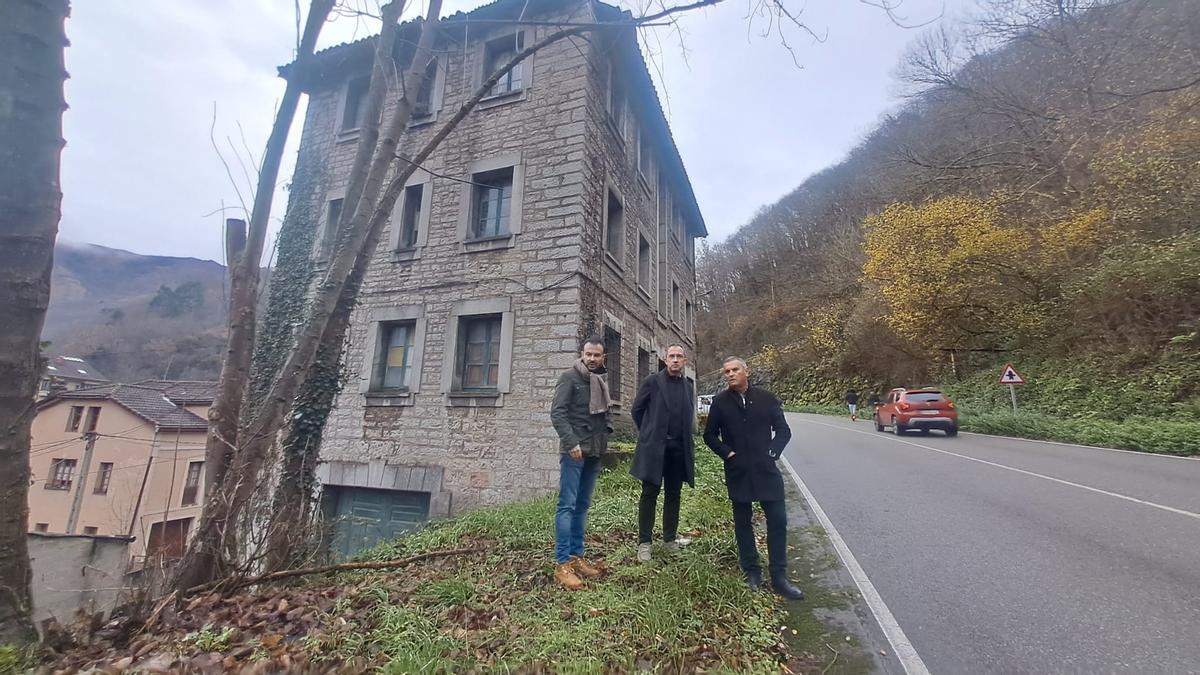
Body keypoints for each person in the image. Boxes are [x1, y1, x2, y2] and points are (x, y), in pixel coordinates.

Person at [704, 356, 804, 600]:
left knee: (778, 521)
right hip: (738, 471)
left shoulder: (767, 399)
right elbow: (709, 435)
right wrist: (728, 454)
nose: (730, 374)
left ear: (745, 371)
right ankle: (752, 572)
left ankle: (779, 577)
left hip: (766, 471)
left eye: (735, 369)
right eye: (726, 371)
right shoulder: (719, 403)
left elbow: (783, 430)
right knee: (742, 524)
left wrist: (771, 452)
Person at [549, 336, 613, 590]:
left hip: (594, 450)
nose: (592, 359)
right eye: (588, 354)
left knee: (582, 505)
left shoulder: (600, 379)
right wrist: (571, 442)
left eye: (597, 355)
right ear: (582, 353)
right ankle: (562, 564)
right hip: (574, 452)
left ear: (603, 357)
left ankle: (576, 557)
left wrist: (605, 435)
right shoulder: (569, 378)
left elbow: (604, 413)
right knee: (567, 505)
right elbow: (557, 413)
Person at [630, 344, 696, 562]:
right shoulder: (652, 382)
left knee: (674, 495)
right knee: (649, 494)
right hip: (655, 449)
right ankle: (644, 543)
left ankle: (669, 540)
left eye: (679, 357)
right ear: (665, 360)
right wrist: (649, 433)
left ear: (684, 361)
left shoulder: (688, 387)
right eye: (671, 356)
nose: (675, 360)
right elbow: (636, 410)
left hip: (678, 450)